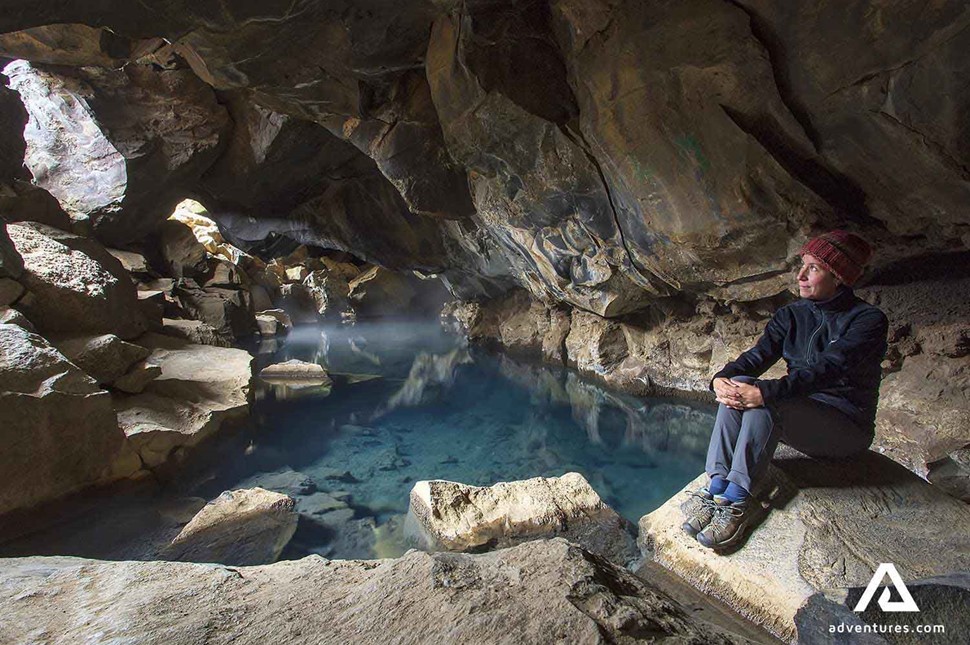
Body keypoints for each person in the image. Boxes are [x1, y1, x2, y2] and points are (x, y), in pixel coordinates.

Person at [681, 230, 889, 550]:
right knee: (742, 385)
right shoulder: (792, 315)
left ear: (839, 278)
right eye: (802, 266)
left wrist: (766, 393)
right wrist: (722, 378)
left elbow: (828, 370)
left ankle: (739, 500)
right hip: (800, 414)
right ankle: (716, 487)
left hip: (846, 427)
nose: (801, 276)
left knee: (767, 399)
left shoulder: (867, 320)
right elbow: (757, 357)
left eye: (814, 269)